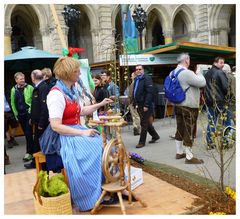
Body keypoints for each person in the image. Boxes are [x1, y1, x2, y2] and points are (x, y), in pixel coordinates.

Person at [46, 56, 113, 211]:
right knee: (94, 148)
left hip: (75, 129)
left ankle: (104, 186)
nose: (79, 74)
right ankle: (90, 195)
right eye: (76, 71)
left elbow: (81, 111)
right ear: (68, 73)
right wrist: (83, 134)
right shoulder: (56, 95)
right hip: (62, 136)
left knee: (100, 142)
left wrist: (100, 104)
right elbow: (56, 126)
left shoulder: (71, 90)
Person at [172, 53, 206, 164]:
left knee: (180, 128)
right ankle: (189, 157)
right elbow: (202, 83)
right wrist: (199, 73)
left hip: (178, 105)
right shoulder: (186, 73)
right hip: (189, 106)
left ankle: (179, 152)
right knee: (189, 130)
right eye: (189, 59)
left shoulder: (172, 72)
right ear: (186, 60)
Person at [24, 69, 50, 169]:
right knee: (37, 144)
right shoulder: (38, 87)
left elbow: (44, 107)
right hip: (37, 122)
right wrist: (32, 117)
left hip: (41, 123)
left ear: (33, 78)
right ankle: (38, 164)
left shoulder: (43, 88)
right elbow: (35, 106)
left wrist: (41, 123)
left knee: (38, 146)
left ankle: (40, 165)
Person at [204, 57, 229, 149]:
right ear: (215, 63)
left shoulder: (207, 73)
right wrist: (228, 97)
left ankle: (210, 143)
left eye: (223, 62)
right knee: (226, 122)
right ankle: (226, 142)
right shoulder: (220, 72)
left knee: (211, 122)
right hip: (220, 102)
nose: (223, 64)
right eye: (221, 62)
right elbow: (226, 88)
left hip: (210, 102)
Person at [133, 64, 160, 148]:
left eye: (140, 69)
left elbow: (149, 92)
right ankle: (155, 136)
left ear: (143, 70)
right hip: (139, 104)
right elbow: (136, 92)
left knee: (143, 123)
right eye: (136, 69)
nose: (138, 71)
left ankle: (142, 142)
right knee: (146, 122)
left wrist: (146, 105)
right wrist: (135, 102)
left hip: (145, 105)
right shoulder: (137, 79)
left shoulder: (146, 78)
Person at [10, 72, 34, 162]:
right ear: (16, 80)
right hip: (20, 115)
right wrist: (16, 114)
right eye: (20, 79)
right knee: (26, 134)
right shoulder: (13, 90)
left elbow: (33, 101)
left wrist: (31, 112)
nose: (23, 80)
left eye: (23, 78)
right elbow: (12, 103)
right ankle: (32, 151)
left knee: (28, 133)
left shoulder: (30, 87)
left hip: (28, 114)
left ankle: (29, 153)